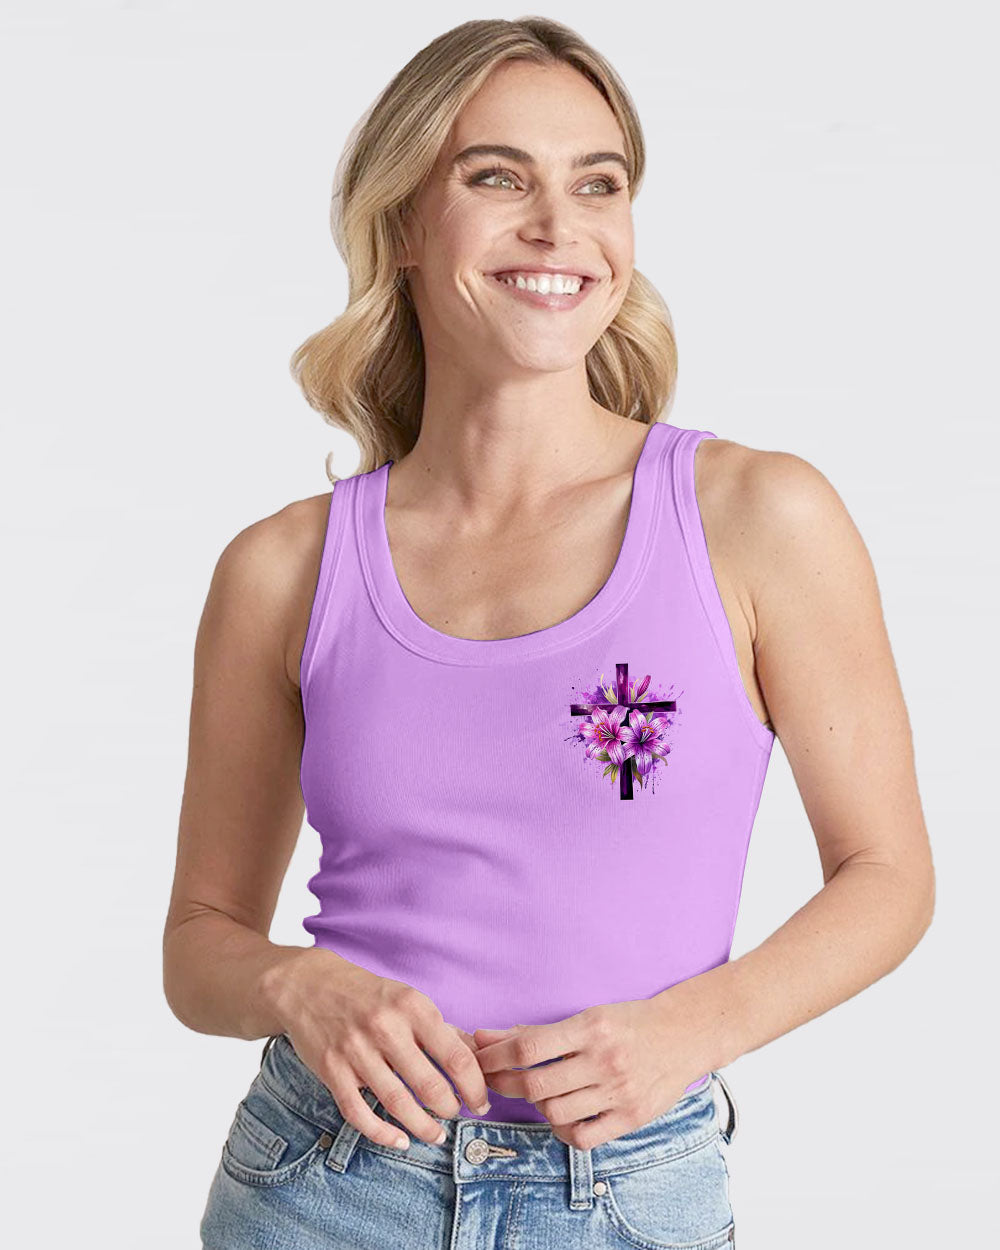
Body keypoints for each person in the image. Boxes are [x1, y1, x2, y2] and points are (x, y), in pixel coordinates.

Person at [163, 17, 935, 1250]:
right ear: (403, 224)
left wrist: (692, 1028)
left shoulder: (755, 516)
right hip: (324, 1180)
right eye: (497, 177)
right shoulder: (282, 569)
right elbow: (198, 944)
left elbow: (887, 875)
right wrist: (295, 981)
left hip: (625, 1194)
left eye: (597, 183)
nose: (557, 225)